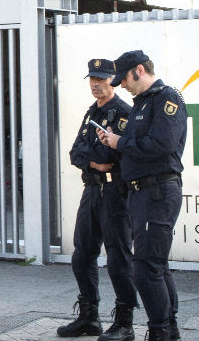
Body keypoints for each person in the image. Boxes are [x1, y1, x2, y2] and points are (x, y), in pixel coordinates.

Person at [98, 50, 188, 341]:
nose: (121, 85)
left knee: (145, 268)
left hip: (158, 190)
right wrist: (114, 141)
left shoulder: (166, 99)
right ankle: (167, 329)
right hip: (140, 192)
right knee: (154, 265)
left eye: (123, 78)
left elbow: (160, 144)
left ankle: (160, 331)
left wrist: (121, 142)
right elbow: (138, 145)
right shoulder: (141, 104)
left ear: (139, 70)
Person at [58, 59, 136, 340]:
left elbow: (112, 156)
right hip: (92, 189)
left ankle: (124, 321)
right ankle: (89, 317)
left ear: (112, 81)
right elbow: (74, 153)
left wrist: (96, 159)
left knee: (118, 257)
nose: (95, 84)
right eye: (92, 78)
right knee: (82, 255)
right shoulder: (92, 112)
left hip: (114, 192)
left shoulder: (123, 113)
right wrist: (94, 163)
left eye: (101, 79)